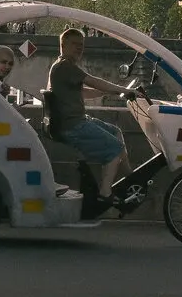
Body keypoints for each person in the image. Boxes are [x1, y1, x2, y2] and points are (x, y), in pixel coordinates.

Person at [46, 27, 132, 214]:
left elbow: (83, 92)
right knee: (115, 148)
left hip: (76, 121)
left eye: (82, 45)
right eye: (75, 45)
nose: (79, 49)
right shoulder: (65, 66)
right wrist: (122, 89)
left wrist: (110, 91)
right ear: (63, 45)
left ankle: (129, 178)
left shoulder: (62, 67)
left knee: (115, 131)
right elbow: (92, 81)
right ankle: (105, 192)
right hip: (73, 126)